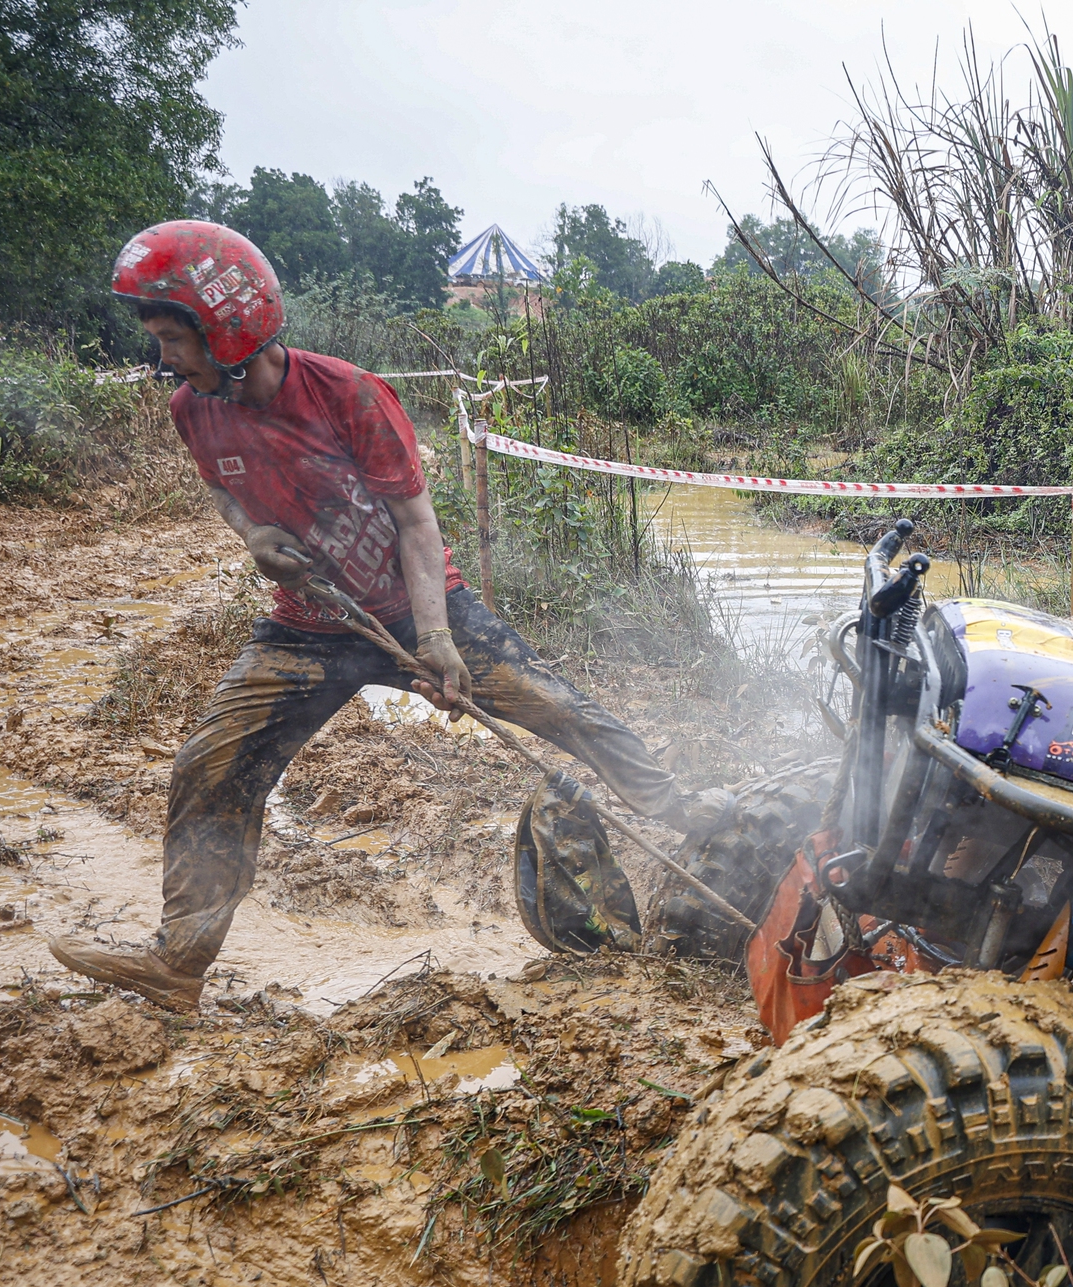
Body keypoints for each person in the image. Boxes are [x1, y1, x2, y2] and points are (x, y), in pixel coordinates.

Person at [49, 220, 721, 1011]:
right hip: (305, 627)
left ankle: (705, 826)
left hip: (416, 611)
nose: (165, 358)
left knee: (570, 715)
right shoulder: (193, 411)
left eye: (173, 339)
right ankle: (178, 961)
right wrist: (254, 537)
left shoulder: (347, 394)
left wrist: (435, 638)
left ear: (229, 330)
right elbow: (224, 491)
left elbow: (416, 525)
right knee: (211, 763)